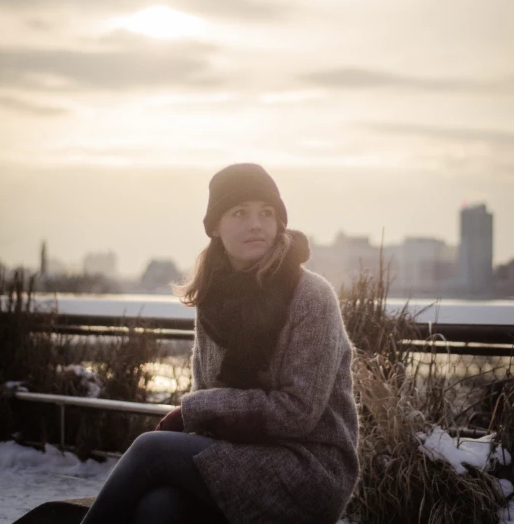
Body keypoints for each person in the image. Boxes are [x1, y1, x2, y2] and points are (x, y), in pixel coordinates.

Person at [80, 163, 359, 524]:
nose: (256, 223)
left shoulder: (311, 296)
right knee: (158, 509)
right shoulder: (213, 299)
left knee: (151, 449)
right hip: (238, 457)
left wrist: (195, 408)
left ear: (279, 223)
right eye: (240, 212)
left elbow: (298, 413)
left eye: (267, 212)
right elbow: (209, 398)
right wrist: (202, 411)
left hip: (309, 467)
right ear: (215, 227)